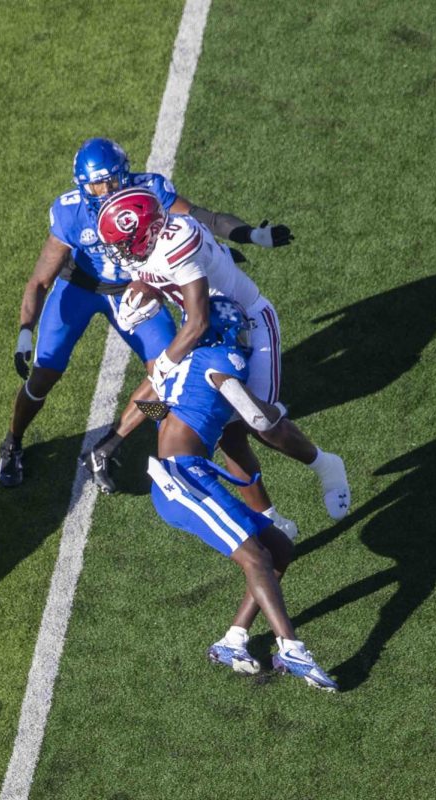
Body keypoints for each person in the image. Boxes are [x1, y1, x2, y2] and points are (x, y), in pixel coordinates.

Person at [0, 137, 294, 490]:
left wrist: (250, 234)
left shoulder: (148, 192)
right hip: (80, 287)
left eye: (112, 181)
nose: (106, 190)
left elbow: (206, 218)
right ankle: (12, 440)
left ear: (125, 175)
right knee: (44, 374)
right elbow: (39, 280)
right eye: (97, 184)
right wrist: (25, 331)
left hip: (137, 290)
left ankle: (115, 443)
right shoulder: (70, 212)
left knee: (167, 382)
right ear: (82, 185)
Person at [95, 187, 351, 537]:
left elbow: (157, 388)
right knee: (232, 434)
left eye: (125, 243)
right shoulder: (180, 382)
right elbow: (153, 396)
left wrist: (121, 432)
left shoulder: (195, 368)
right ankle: (270, 520)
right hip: (198, 363)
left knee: (258, 421)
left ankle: (323, 467)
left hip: (239, 327)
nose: (120, 253)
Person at [142, 296, 340, 691]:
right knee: (255, 557)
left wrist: (174, 417)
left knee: (280, 548)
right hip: (183, 480)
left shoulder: (181, 364)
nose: (244, 338)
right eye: (238, 331)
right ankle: (291, 647)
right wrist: (268, 414)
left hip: (187, 472)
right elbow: (253, 417)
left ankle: (234, 640)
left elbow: (144, 402)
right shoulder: (223, 359)